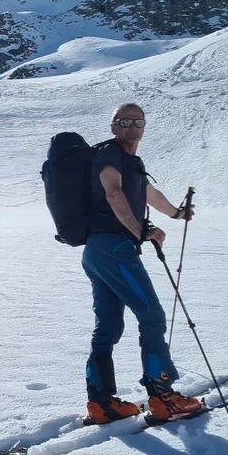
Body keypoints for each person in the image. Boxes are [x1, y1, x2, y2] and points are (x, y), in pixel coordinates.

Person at [82, 103, 202, 425]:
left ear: (144, 126)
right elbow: (113, 193)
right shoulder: (109, 154)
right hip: (114, 249)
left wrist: (176, 214)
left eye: (137, 121)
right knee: (151, 315)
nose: (132, 126)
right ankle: (163, 397)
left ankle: (101, 404)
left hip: (99, 251)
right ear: (113, 127)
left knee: (107, 326)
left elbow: (149, 194)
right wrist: (141, 230)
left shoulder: (132, 162)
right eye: (124, 121)